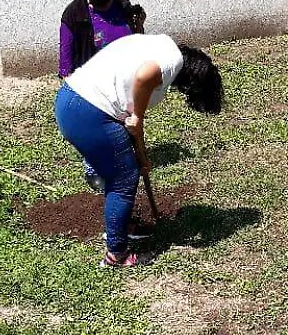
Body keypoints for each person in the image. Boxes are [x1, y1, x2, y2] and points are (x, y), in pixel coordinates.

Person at [54, 34, 223, 267]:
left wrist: (141, 156)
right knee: (123, 179)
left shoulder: (164, 45)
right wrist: (139, 116)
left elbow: (130, 118)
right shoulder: (170, 63)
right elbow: (144, 79)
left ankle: (125, 225)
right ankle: (116, 255)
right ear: (193, 82)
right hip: (87, 112)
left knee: (125, 169)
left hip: (70, 99)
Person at [59, 0, 147, 191]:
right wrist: (71, 83)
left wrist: (139, 25)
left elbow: (135, 33)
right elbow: (66, 59)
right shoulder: (74, 15)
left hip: (125, 77)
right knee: (98, 126)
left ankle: (130, 158)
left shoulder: (120, 0)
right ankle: (93, 167)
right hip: (93, 83)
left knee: (126, 121)